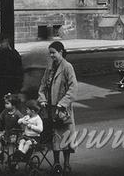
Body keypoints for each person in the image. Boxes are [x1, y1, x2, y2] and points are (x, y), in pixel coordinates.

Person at [38, 39, 77, 173]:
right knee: (55, 137)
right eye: (50, 53)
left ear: (60, 52)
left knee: (65, 136)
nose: (51, 56)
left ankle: (66, 164)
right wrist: (42, 100)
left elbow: (73, 88)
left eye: (53, 53)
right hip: (51, 109)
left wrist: (62, 103)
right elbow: (42, 86)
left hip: (62, 109)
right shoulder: (49, 68)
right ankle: (56, 164)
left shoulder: (67, 67)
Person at [0, 34, 24, 117]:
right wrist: (19, 85)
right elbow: (19, 70)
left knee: (0, 106)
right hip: (11, 85)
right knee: (12, 105)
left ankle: (2, 123)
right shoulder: (13, 54)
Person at [0, 91, 23, 162]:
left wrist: (22, 131)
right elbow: (0, 119)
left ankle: (14, 161)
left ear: (13, 105)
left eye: (7, 103)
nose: (5, 105)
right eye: (5, 103)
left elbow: (23, 122)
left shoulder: (18, 114)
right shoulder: (5, 112)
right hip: (6, 132)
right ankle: (0, 154)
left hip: (15, 133)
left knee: (11, 144)